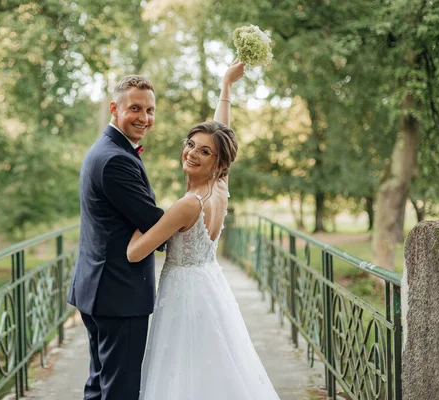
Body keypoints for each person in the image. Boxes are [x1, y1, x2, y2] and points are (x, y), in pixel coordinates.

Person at [128, 59, 281, 399]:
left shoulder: (187, 205)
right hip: (210, 285)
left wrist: (137, 215)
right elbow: (221, 129)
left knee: (182, 370)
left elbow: (136, 251)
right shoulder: (220, 189)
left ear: (219, 163)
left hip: (183, 295)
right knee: (214, 366)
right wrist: (225, 86)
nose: (193, 154)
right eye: (191, 145)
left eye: (204, 152)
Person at [67, 75, 164, 400]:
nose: (144, 118)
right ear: (115, 107)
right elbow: (154, 226)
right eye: (135, 108)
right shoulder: (115, 160)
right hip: (118, 295)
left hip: (100, 289)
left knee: (100, 385)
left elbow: (143, 219)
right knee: (119, 391)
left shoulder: (107, 150)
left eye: (150, 110)